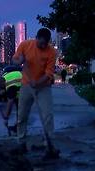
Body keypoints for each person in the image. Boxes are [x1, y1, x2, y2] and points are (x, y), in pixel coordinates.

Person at [12, 28, 59, 159]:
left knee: (47, 115)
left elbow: (49, 73)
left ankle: (49, 146)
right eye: (41, 43)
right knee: (21, 115)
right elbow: (14, 60)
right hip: (26, 85)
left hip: (43, 86)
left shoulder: (51, 52)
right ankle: (21, 143)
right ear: (36, 38)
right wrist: (20, 60)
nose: (43, 46)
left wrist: (38, 82)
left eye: (45, 44)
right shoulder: (26, 45)